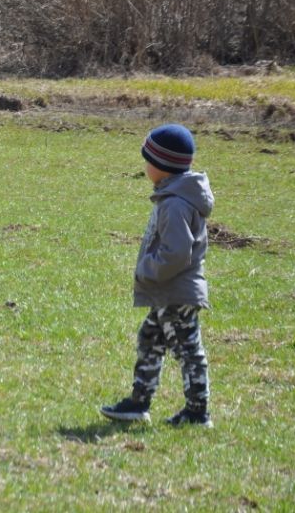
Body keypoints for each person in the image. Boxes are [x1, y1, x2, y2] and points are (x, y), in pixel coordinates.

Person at [100, 124, 215, 427]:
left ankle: (197, 411)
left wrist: (148, 269)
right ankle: (138, 403)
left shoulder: (175, 204)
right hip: (170, 291)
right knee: (150, 338)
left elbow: (177, 253)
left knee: (187, 349)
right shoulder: (172, 197)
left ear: (162, 166)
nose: (145, 166)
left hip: (174, 292)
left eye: (147, 161)